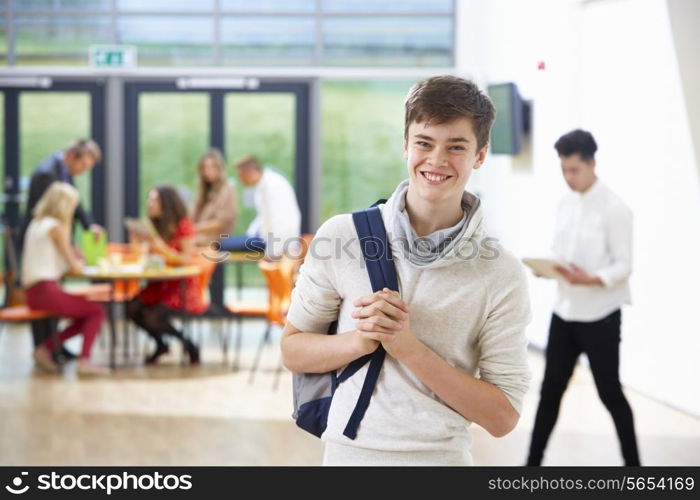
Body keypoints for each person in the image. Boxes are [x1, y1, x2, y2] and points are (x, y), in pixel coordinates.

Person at [280, 75, 532, 465]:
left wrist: (409, 348)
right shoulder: (342, 237)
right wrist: (360, 341)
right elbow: (293, 350)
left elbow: (502, 418)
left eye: (456, 147)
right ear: (405, 145)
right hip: (348, 458)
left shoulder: (500, 273)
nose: (436, 160)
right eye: (424, 143)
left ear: (480, 156)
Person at [526, 129, 640, 466]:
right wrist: (547, 267)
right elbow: (559, 251)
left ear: (592, 163)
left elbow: (624, 265)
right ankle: (531, 465)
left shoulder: (615, 208)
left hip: (600, 316)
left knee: (610, 394)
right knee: (550, 392)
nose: (568, 178)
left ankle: (635, 468)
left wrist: (590, 278)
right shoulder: (564, 202)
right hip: (564, 313)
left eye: (574, 170)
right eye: (563, 170)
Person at [20, 139, 104, 362]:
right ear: (72, 156)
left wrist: (86, 227)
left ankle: (53, 348)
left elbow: (75, 205)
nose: (82, 171)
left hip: (46, 263)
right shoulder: (47, 174)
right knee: (90, 310)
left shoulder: (63, 176)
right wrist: (68, 247)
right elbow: (58, 207)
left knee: (57, 303)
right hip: (42, 268)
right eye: (83, 166)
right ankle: (45, 349)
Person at [126, 186, 203, 365]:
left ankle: (188, 344)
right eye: (149, 200)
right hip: (158, 283)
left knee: (152, 317)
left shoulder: (183, 225)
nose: (149, 204)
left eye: (154, 200)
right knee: (132, 308)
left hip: (180, 286)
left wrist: (161, 247)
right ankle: (161, 344)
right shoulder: (153, 226)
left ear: (166, 203)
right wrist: (136, 242)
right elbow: (142, 257)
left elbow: (185, 259)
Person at [221, 155, 300, 259]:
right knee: (222, 242)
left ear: (249, 172)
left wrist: (273, 251)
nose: (241, 179)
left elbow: (281, 221)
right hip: (264, 238)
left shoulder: (273, 185)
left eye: (241, 175)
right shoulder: (265, 185)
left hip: (278, 242)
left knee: (220, 244)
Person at [191, 148, 237, 247]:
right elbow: (191, 216)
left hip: (219, 236)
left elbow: (221, 223)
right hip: (200, 234)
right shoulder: (202, 191)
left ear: (219, 168)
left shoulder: (226, 190)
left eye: (212, 167)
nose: (207, 171)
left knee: (189, 243)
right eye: (204, 167)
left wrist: (194, 228)